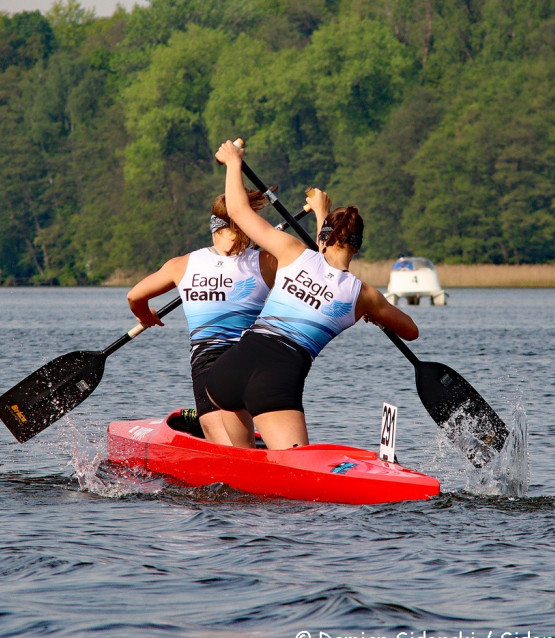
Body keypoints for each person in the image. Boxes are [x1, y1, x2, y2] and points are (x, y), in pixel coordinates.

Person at [208, 140, 419, 450]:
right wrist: (374, 314)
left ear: (322, 239)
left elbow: (238, 210)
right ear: (358, 248)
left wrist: (234, 162)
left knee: (243, 469)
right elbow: (411, 331)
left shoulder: (292, 252)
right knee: (294, 473)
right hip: (276, 383)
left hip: (229, 371)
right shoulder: (365, 296)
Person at [126, 189, 275, 447]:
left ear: (214, 228)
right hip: (253, 361)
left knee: (224, 445)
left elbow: (134, 296)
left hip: (207, 364)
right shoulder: (267, 262)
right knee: (241, 444)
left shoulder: (182, 265)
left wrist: (145, 315)